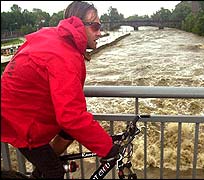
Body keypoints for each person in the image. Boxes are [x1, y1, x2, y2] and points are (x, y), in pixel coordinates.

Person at [1, 1, 119, 178]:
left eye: (100, 26)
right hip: (21, 122)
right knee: (55, 172)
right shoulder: (64, 56)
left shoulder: (52, 37)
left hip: (16, 110)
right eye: (95, 26)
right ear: (78, 24)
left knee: (66, 134)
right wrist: (107, 148)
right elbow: (71, 116)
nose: (99, 32)